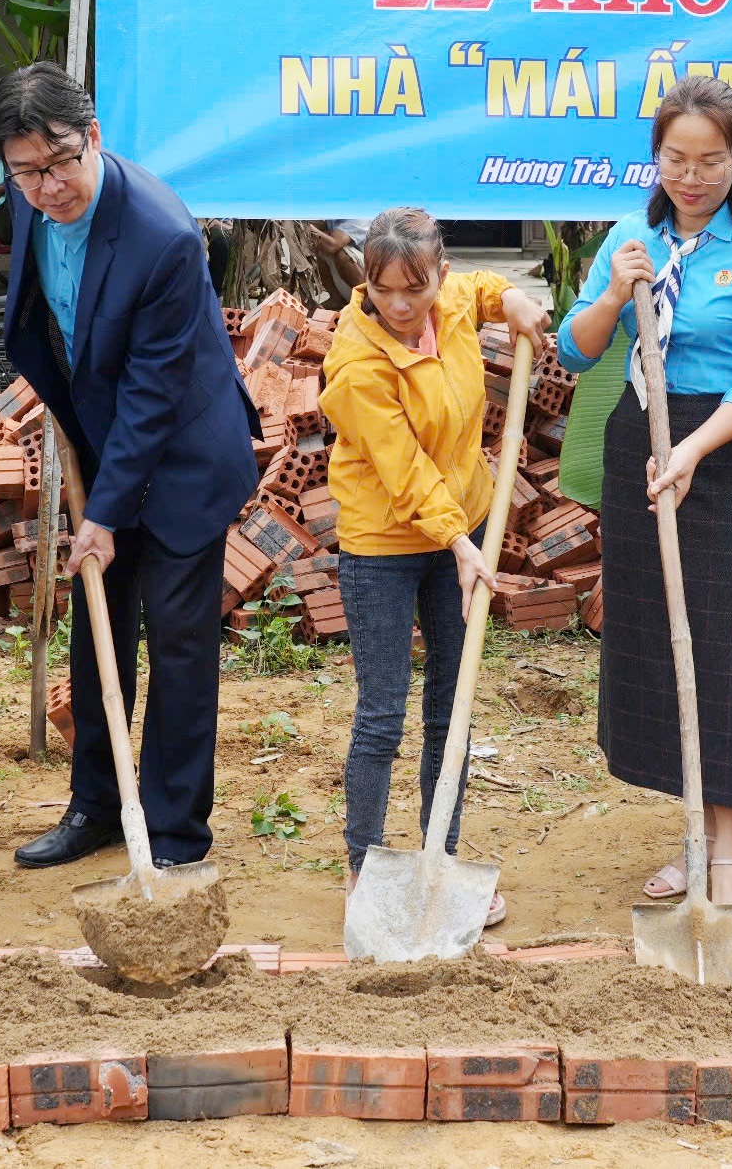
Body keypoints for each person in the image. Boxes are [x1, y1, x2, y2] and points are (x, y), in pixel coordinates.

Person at [0, 62, 261, 872]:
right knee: (97, 631)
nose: (47, 186)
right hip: (103, 441)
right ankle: (97, 807)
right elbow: (48, 319)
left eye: (62, 162)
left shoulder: (163, 237)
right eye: (27, 171)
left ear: (95, 138)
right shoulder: (30, 198)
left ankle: (177, 836)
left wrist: (103, 515)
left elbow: (153, 392)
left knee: (179, 647)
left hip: (181, 453)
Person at [554, 75, 732, 908]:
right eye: (675, 159)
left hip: (727, 454)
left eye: (711, 160)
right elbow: (576, 351)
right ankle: (691, 829)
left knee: (731, 646)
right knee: (663, 645)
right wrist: (616, 293)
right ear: (655, 157)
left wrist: (695, 447)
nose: (691, 177)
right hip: (643, 442)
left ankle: (729, 849)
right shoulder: (631, 236)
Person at [319, 207, 549, 928]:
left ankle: (440, 859)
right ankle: (365, 866)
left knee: (452, 706)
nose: (397, 305)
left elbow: (478, 289)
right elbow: (403, 468)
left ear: (435, 276)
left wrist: (508, 298)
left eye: (413, 290)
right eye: (383, 289)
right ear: (366, 279)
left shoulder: (447, 298)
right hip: (385, 541)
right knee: (383, 712)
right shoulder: (355, 363)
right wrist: (458, 541)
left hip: (463, 522)